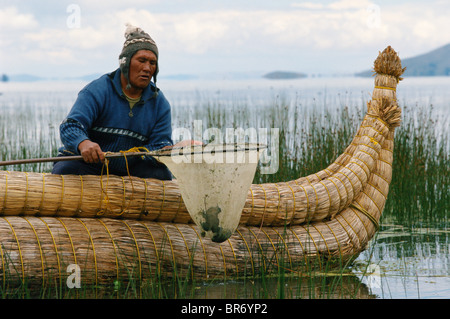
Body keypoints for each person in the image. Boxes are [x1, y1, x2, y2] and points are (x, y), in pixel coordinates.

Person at [52, 24, 198, 179]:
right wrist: (83, 143)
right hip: (90, 166)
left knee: (160, 174)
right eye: (141, 60)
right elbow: (71, 125)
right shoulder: (98, 91)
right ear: (125, 63)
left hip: (130, 170)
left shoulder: (159, 104)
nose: (147, 68)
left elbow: (158, 145)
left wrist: (175, 149)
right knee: (65, 169)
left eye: (152, 63)